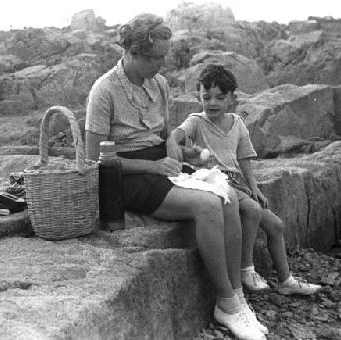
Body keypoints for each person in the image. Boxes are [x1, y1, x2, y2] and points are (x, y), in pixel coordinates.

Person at [85, 14, 267, 340]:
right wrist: (151, 167)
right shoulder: (104, 90)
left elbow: (165, 135)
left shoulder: (158, 84)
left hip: (160, 164)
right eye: (155, 57)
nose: (162, 63)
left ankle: (237, 298)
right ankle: (225, 303)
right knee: (208, 204)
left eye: (163, 56)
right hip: (124, 174)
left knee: (224, 193)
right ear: (133, 52)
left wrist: (176, 147)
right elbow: (92, 159)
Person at [167, 64, 322, 296]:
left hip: (237, 183)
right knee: (252, 210)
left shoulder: (237, 123)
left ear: (232, 98)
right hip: (215, 182)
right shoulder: (196, 121)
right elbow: (178, 134)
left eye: (220, 97)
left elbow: (245, 159)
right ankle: (245, 268)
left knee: (275, 225)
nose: (212, 103)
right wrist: (174, 142)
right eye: (206, 97)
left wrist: (254, 188)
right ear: (198, 97)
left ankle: (286, 280)